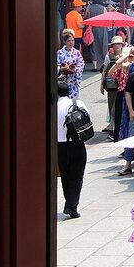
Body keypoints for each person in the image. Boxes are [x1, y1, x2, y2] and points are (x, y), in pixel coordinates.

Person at [57, 79, 88, 218]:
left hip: (60, 145)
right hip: (77, 143)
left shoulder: (53, 107)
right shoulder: (78, 103)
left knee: (65, 175)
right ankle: (71, 205)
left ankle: (70, 203)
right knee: (77, 176)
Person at [57, 29, 85, 99]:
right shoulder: (59, 53)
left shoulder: (77, 52)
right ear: (64, 42)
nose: (71, 42)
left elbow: (81, 64)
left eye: (72, 40)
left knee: (74, 101)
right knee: (63, 99)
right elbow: (56, 65)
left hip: (73, 80)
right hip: (63, 80)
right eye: (69, 41)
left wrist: (74, 69)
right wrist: (62, 68)